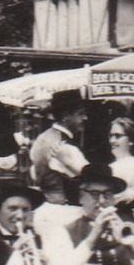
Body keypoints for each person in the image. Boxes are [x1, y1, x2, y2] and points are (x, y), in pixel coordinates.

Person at [28, 90, 91, 232]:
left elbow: (34, 173)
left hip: (45, 209)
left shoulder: (42, 139)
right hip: (66, 214)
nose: (85, 118)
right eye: (80, 114)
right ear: (65, 116)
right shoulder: (64, 147)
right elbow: (91, 177)